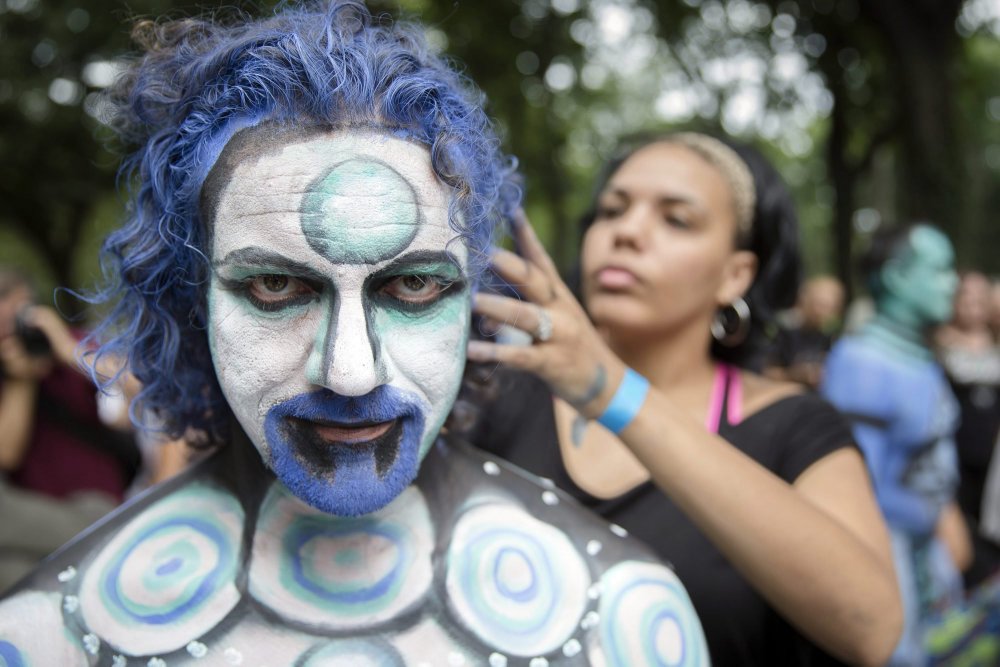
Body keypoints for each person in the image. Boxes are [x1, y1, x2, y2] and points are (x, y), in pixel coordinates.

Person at [0, 3, 709, 665]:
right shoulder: (51, 637)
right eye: (276, 286)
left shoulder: (615, 623)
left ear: (476, 303)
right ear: (194, 302)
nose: (350, 372)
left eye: (412, 286)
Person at [464, 132, 902, 666]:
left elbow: (872, 629)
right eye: (611, 210)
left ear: (734, 274)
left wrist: (613, 391)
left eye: (676, 219)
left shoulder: (796, 426)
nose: (627, 231)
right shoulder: (501, 391)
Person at [822, 224, 968, 665]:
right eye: (939, 270)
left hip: (928, 560)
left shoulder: (917, 357)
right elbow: (850, 493)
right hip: (885, 561)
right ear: (897, 277)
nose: (953, 282)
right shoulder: (863, 363)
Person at [0, 269, 138, 591]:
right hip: (33, 530)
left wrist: (64, 348)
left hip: (96, 510)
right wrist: (23, 380)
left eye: (6, 296)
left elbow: (145, 389)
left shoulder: (75, 345)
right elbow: (7, 454)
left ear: (26, 298)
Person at [935, 270, 1000, 587]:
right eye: (966, 296)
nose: (973, 305)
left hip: (993, 463)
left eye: (980, 297)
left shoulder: (997, 341)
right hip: (954, 458)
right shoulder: (937, 342)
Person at [765, 274, 846, 389]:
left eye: (829, 306)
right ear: (805, 301)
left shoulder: (834, 340)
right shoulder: (785, 335)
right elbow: (765, 373)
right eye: (819, 304)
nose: (821, 312)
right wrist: (794, 375)